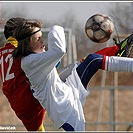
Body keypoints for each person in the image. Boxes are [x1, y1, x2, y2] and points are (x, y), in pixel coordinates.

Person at [12, 19, 133, 131]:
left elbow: (56, 76)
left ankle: (118, 53)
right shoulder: (30, 62)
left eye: (41, 37)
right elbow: (59, 50)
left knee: (92, 60)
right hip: (65, 110)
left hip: (69, 90)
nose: (42, 41)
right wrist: (55, 27)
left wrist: (75, 68)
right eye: (37, 39)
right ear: (27, 43)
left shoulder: (35, 58)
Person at [0, 17, 46, 131]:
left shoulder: (1, 52)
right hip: (25, 95)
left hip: (13, 98)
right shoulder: (21, 51)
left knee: (37, 128)